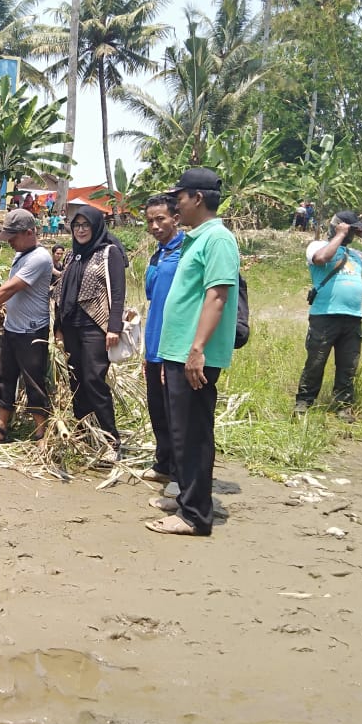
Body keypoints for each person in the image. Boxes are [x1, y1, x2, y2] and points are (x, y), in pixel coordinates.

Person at [147, 167, 239, 537]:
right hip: (177, 352)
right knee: (181, 431)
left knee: (194, 433)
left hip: (193, 355)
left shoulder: (218, 239)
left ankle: (195, 516)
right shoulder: (195, 239)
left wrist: (197, 349)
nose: (176, 204)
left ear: (197, 198)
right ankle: (186, 497)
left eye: (179, 198)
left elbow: (217, 296)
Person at [293, 210, 362, 422]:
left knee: (348, 365)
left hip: (353, 317)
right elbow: (321, 259)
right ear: (336, 226)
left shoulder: (355, 254)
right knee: (316, 362)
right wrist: (339, 235)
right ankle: (303, 403)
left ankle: (343, 407)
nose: (350, 233)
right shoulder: (317, 246)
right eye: (348, 228)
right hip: (325, 316)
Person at [0, 209, 52, 444]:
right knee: (3, 378)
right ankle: (0, 430)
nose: (10, 242)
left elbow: (9, 289)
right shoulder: (22, 254)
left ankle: (41, 434)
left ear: (29, 232)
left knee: (33, 380)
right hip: (13, 328)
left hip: (32, 331)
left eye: (13, 237)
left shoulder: (39, 257)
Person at [53, 206, 128, 457]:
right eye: (77, 225)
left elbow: (117, 293)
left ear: (96, 226)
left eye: (86, 225)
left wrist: (114, 327)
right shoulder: (72, 255)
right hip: (72, 327)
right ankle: (84, 434)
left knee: (94, 381)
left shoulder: (109, 253)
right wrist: (58, 328)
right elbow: (60, 292)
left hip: (96, 327)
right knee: (76, 381)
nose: (81, 230)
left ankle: (111, 441)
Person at [141, 195, 184, 493]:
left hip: (174, 346)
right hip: (154, 343)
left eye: (161, 220)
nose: (155, 226)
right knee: (157, 408)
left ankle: (181, 475)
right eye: (150, 221)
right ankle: (163, 464)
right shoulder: (159, 253)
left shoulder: (185, 252)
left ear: (176, 219)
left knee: (177, 414)